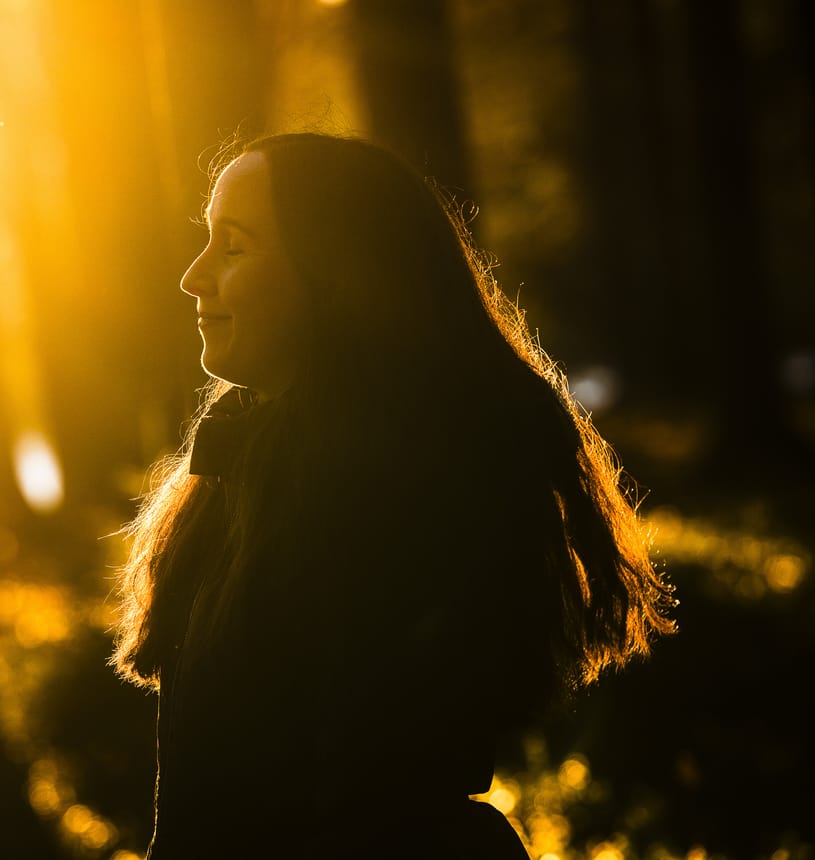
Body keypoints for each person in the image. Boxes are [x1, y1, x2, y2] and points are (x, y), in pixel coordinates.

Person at [110, 131, 676, 858]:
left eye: (235, 246)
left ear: (335, 274)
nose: (194, 276)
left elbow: (349, 804)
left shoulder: (394, 494)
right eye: (205, 240)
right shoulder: (248, 464)